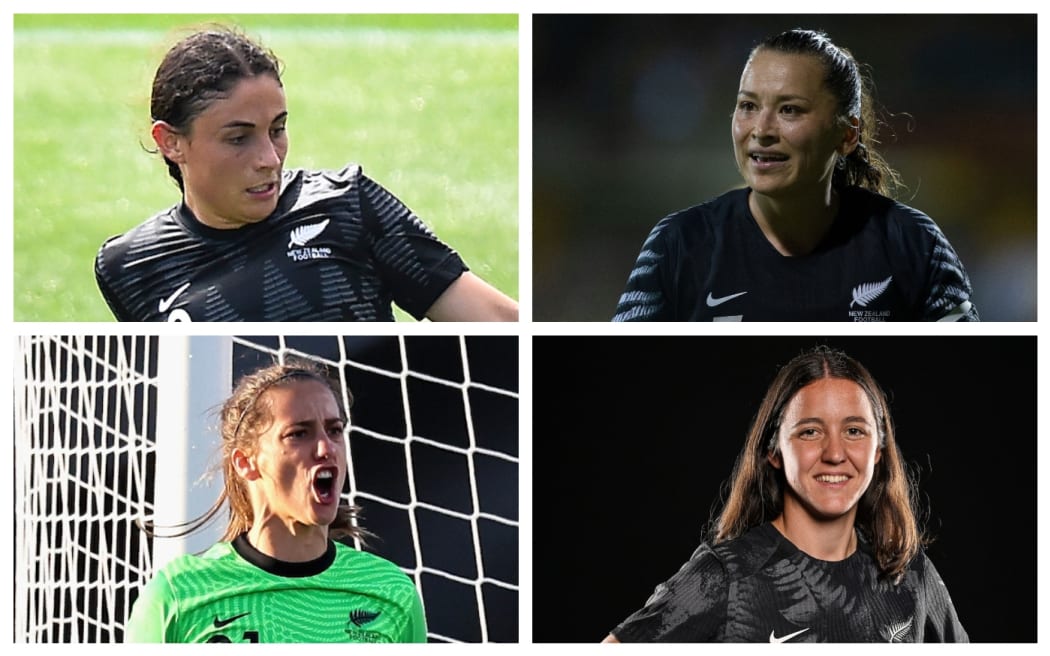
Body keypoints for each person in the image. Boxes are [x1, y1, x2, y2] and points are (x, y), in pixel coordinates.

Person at [94, 24, 518, 322]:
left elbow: (499, 323)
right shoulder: (128, 266)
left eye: (277, 129)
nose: (270, 158)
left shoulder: (348, 204)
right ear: (171, 142)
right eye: (238, 138)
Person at [601, 345, 968, 642]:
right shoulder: (728, 574)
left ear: (878, 451)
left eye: (854, 431)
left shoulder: (910, 574)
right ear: (774, 451)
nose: (835, 453)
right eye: (810, 432)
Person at [612, 28, 977, 322]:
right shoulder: (677, 246)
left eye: (790, 109)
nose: (762, 129)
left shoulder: (913, 244)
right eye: (748, 106)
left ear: (847, 134)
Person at [124, 360, 427, 643]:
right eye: (299, 434)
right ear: (246, 462)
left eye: (334, 430)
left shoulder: (390, 593)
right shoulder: (177, 596)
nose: (326, 448)